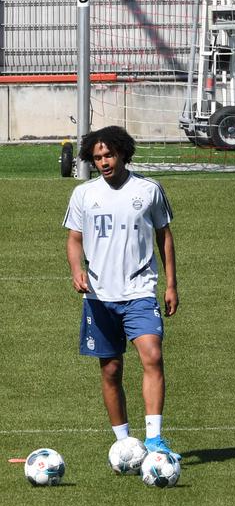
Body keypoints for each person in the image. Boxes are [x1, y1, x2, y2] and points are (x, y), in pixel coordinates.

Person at [63, 125, 180, 458]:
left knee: (152, 356)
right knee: (111, 369)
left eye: (109, 155)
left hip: (140, 291)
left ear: (123, 153)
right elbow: (74, 239)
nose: (103, 162)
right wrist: (76, 270)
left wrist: (171, 284)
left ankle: (155, 439)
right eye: (97, 157)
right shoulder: (84, 194)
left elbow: (164, 237)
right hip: (99, 296)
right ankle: (124, 443)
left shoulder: (149, 190)